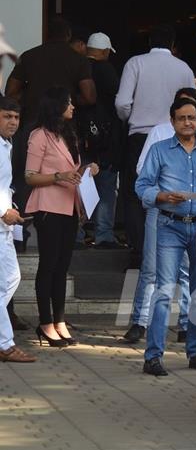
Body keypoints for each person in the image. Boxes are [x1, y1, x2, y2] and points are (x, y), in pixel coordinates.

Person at [123, 88, 196, 345]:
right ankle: (140, 325)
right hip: (164, 216)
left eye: (192, 116)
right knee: (153, 272)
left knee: (194, 281)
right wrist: (163, 195)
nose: (187, 121)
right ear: (172, 118)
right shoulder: (159, 137)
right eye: (181, 117)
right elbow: (142, 175)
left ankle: (190, 332)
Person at [5, 16, 96, 251]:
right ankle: (73, 234)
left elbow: (10, 91)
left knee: (21, 180)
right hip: (64, 131)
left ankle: (19, 236)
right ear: (68, 36)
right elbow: (89, 96)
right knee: (70, 176)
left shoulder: (30, 56)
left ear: (47, 34)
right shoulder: (77, 59)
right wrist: (64, 103)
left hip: (29, 125)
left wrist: (33, 98)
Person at [24, 87, 99, 348]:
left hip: (69, 206)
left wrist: (87, 169)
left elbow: (72, 171)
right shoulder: (38, 136)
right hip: (48, 207)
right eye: (68, 103)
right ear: (56, 105)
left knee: (62, 266)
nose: (73, 106)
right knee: (49, 265)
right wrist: (59, 177)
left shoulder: (68, 135)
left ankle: (59, 320)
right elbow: (30, 175)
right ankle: (45, 322)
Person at [115, 24, 195, 263]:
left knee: (135, 193)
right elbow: (192, 101)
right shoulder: (184, 68)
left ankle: (140, 251)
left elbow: (121, 103)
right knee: (174, 192)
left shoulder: (135, 63)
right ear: (172, 44)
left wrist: (130, 118)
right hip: (176, 136)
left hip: (141, 136)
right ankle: (171, 251)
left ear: (149, 42)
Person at [75, 32, 124, 249]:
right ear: (105, 51)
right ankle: (103, 234)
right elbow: (119, 99)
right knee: (106, 182)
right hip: (105, 134)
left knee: (79, 180)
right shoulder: (106, 69)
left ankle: (77, 233)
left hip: (80, 132)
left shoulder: (77, 67)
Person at [0, 96, 36, 362]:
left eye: (16, 117)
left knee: (9, 281)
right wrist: (4, 212)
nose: (12, 122)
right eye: (7, 116)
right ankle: (5, 344)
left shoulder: (7, 145)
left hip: (5, 224)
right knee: (6, 281)